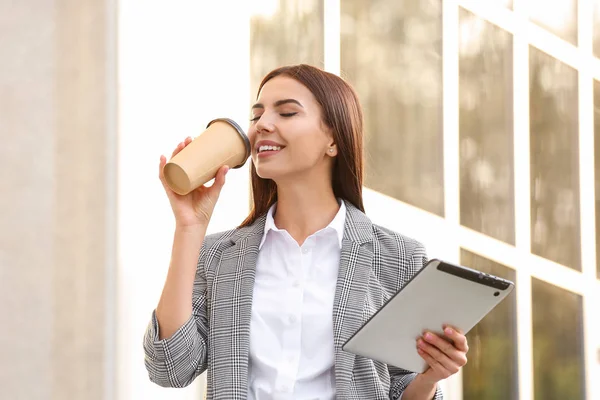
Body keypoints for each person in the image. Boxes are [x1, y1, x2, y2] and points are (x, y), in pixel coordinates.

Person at [143, 64, 469, 400]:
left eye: (286, 112)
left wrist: (430, 379)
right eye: (257, 116)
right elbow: (169, 367)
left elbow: (402, 387)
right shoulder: (218, 255)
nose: (262, 125)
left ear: (333, 139)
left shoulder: (398, 257)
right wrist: (189, 227)